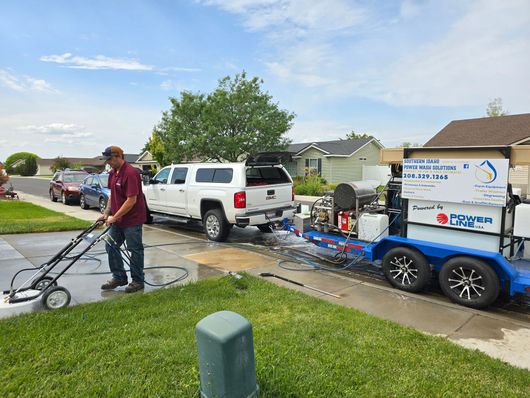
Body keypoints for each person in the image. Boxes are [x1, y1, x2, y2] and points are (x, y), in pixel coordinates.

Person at [98, 146, 147, 293]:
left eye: (110, 160)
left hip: (132, 220)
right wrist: (106, 213)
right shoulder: (113, 173)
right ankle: (119, 276)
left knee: (135, 250)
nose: (108, 163)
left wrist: (115, 217)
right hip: (118, 220)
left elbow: (131, 200)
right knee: (111, 246)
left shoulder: (131, 173)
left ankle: (138, 281)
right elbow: (113, 196)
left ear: (118, 157)